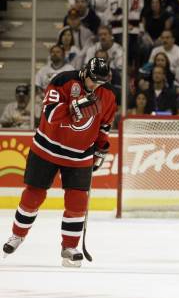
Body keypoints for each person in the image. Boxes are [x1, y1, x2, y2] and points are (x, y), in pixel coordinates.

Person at [3, 58, 117, 267]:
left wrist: (101, 148)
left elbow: (104, 125)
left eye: (100, 82)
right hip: (47, 147)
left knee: (77, 202)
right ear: (84, 73)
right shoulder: (63, 80)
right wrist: (75, 106)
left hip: (79, 154)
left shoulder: (107, 94)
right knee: (33, 195)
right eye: (93, 81)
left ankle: (69, 246)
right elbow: (49, 113)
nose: (96, 85)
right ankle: (17, 235)